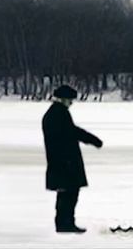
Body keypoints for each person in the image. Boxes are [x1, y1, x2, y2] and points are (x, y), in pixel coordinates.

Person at [42, 85, 103, 233]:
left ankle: (65, 223)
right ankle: (65, 224)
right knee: (68, 194)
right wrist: (93, 140)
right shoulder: (58, 114)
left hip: (62, 160)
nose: (71, 103)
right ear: (63, 99)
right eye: (70, 100)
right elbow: (72, 132)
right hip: (64, 161)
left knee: (67, 193)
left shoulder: (56, 113)